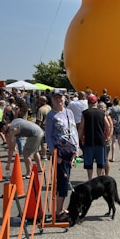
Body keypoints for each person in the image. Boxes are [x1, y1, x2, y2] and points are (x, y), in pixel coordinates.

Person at [45, 89, 78, 221]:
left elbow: (73, 131)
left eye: (61, 97)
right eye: (56, 98)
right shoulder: (51, 115)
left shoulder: (69, 112)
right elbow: (48, 135)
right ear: (52, 100)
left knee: (66, 179)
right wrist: (54, 153)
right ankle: (58, 212)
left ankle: (61, 208)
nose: (59, 100)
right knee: (62, 181)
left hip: (69, 149)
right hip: (59, 151)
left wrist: (76, 150)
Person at [78, 94, 111, 180]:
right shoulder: (102, 113)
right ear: (96, 103)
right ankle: (99, 179)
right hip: (100, 140)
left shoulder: (85, 113)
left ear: (88, 103)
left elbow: (81, 127)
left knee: (89, 163)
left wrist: (80, 138)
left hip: (89, 140)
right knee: (100, 162)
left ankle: (90, 179)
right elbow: (108, 126)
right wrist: (107, 137)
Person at [98, 101, 113, 175]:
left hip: (106, 139)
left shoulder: (107, 116)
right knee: (101, 159)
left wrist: (109, 137)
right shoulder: (97, 116)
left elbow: (111, 127)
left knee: (106, 158)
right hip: (99, 139)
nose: (101, 109)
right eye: (99, 107)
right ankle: (102, 174)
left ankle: (106, 175)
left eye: (102, 107)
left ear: (105, 109)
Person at [35, 95, 51, 160]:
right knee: (48, 142)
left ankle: (44, 155)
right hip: (49, 126)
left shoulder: (40, 110)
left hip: (43, 127)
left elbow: (39, 120)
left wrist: (36, 129)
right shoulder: (49, 107)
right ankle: (50, 154)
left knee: (43, 142)